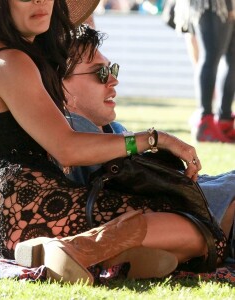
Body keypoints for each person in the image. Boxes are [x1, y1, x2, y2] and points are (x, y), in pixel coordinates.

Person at [0, 0, 227, 284]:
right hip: (42, 213)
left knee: (178, 227)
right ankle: (79, 250)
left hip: (16, 225)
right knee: (196, 229)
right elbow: (67, 148)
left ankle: (105, 255)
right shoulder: (12, 61)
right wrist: (153, 139)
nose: (41, 2)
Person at [61, 24, 235, 253]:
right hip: (206, 219)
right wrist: (156, 139)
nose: (113, 80)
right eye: (99, 72)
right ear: (61, 86)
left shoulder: (107, 128)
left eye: (112, 69)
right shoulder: (73, 130)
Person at [175, 0, 235, 143]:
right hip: (211, 4)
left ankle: (224, 120)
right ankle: (205, 122)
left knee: (232, 59)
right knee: (211, 56)